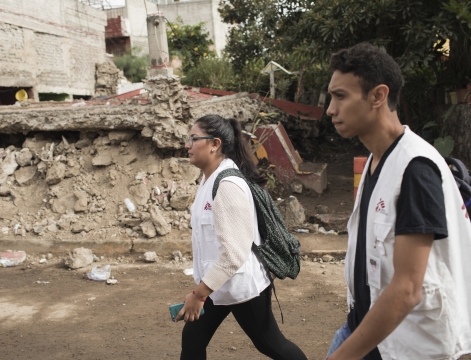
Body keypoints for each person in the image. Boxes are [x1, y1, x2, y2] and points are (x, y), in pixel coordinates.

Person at [325, 43, 471, 360]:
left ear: (377, 96)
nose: (330, 109)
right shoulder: (379, 159)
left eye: (340, 96)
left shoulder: (416, 169)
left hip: (406, 345)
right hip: (363, 326)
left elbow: (407, 288)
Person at [175, 114, 308, 360]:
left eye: (193, 138)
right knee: (192, 339)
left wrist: (199, 294)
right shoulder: (208, 180)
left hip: (242, 285)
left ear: (215, 144)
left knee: (271, 344)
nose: (187, 144)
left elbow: (235, 253)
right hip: (218, 283)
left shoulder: (227, 185)